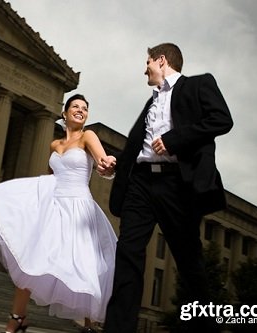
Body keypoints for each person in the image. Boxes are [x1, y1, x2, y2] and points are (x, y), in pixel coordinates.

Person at [100, 43, 233, 332]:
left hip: (177, 184)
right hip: (141, 182)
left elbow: (222, 120)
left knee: (189, 261)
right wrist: (117, 164)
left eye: (147, 62)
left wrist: (175, 139)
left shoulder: (198, 84)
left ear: (161, 60)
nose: (144, 69)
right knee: (128, 253)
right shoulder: (151, 102)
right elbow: (140, 145)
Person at [0, 94, 118, 333]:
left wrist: (108, 166)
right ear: (64, 113)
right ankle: (17, 318)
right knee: (31, 259)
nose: (80, 110)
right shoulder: (54, 144)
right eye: (75, 106)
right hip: (55, 207)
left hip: (78, 207)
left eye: (85, 108)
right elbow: (51, 177)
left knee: (83, 262)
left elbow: (103, 164)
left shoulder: (88, 136)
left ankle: (90, 324)